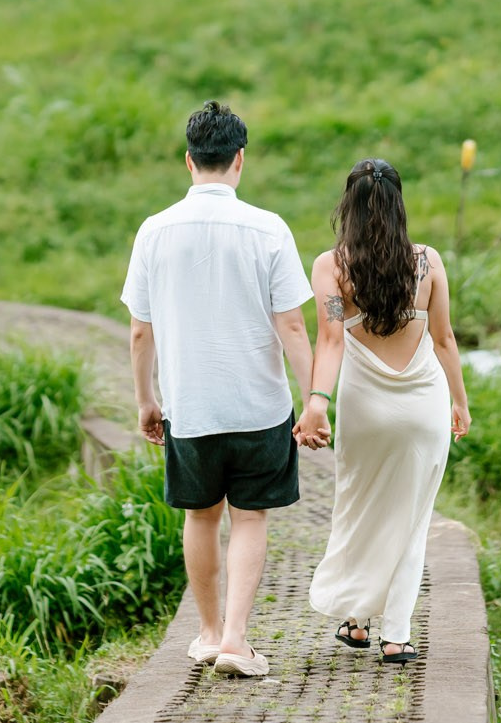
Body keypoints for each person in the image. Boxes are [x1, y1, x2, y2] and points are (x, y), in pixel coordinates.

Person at [122, 101, 315, 679]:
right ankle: (236, 639)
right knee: (249, 519)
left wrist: (146, 400)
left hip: (190, 406)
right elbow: (293, 326)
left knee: (201, 517)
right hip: (260, 406)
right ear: (239, 159)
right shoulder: (269, 227)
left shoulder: (154, 230)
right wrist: (314, 401)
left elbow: (140, 330)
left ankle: (207, 634)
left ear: (189, 160)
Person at [295, 158, 471, 664]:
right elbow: (444, 339)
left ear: (347, 207)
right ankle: (397, 635)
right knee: (412, 518)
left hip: (364, 408)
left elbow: (330, 340)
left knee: (358, 508)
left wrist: (317, 403)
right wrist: (460, 401)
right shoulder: (427, 262)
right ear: (399, 205)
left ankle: (356, 623)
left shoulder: (331, 267)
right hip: (424, 405)